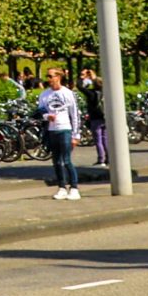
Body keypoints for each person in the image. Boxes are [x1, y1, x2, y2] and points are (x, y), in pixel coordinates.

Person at [37, 67, 84, 199]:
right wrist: (47, 116)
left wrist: (76, 135)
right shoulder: (44, 94)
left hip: (65, 129)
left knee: (67, 160)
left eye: (51, 76)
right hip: (52, 130)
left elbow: (74, 114)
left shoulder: (68, 93)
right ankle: (62, 187)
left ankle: (74, 188)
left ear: (58, 77)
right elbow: (40, 111)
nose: (49, 79)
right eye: (48, 76)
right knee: (56, 161)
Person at [81, 72, 108, 166]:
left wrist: (82, 77)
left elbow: (80, 87)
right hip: (105, 117)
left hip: (95, 118)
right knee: (105, 139)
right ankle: (108, 157)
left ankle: (101, 159)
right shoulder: (105, 92)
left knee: (98, 140)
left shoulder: (91, 94)